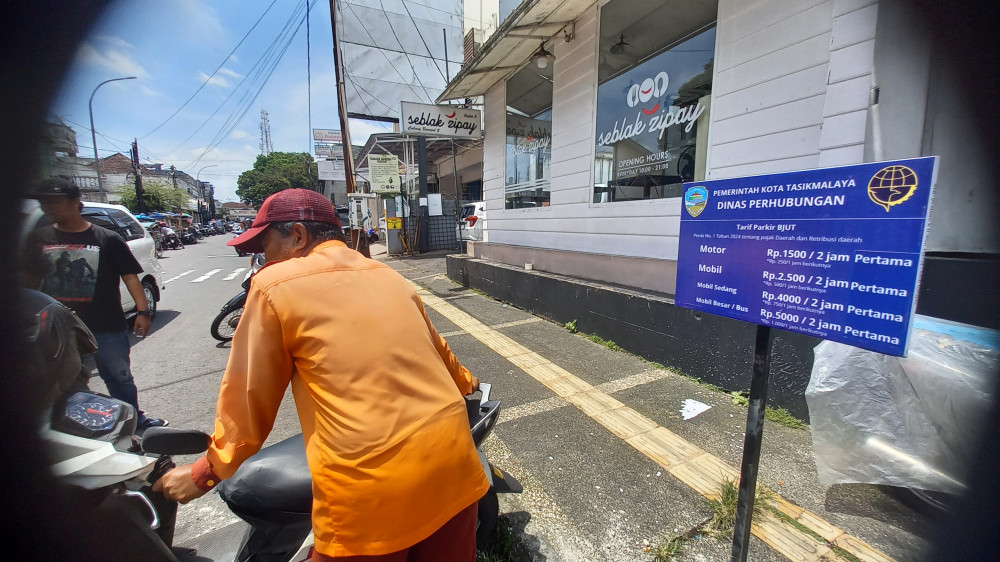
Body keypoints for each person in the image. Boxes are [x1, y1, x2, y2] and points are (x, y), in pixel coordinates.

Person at [154, 188, 489, 561]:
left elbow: (249, 399)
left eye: (265, 246)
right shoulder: (386, 274)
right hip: (455, 463)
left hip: (371, 490)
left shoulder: (274, 285)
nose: (263, 259)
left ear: (297, 235)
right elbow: (439, 350)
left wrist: (204, 473)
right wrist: (466, 381)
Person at [25, 178, 168, 429]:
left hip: (105, 323)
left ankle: (134, 421)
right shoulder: (39, 239)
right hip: (58, 327)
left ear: (75, 202)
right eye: (44, 202)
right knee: (63, 379)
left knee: (119, 376)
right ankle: (77, 427)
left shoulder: (107, 238)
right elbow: (30, 281)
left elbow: (130, 277)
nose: (48, 207)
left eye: (55, 202)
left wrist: (143, 312)